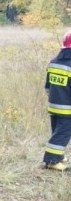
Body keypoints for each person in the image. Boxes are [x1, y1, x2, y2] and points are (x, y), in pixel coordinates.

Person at [42, 30, 71, 171]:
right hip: (68, 108)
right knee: (63, 133)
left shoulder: (54, 62)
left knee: (57, 131)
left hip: (54, 105)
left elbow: (48, 86)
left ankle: (57, 155)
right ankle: (52, 161)